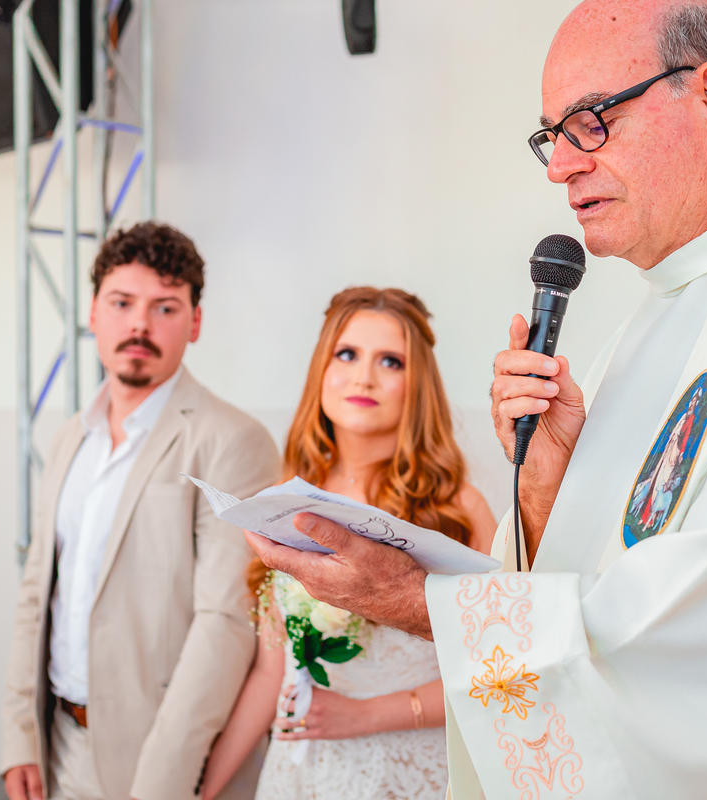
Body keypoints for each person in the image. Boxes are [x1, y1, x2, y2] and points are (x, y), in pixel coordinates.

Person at [245, 3, 707, 800]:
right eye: (551, 134)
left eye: (590, 121)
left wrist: (411, 598)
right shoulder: (647, 325)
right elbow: (599, 577)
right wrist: (543, 494)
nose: (559, 166)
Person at [2, 223, 280, 800]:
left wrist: (162, 783)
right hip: (58, 744)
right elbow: (36, 593)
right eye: (122, 303)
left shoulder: (233, 440)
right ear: (93, 313)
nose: (139, 324)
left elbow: (224, 623)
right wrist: (20, 736)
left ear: (195, 323)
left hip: (161, 757)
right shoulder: (66, 440)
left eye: (165, 307)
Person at [199, 287, 496, 800]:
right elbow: (273, 673)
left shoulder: (458, 509)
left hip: (411, 775)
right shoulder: (285, 503)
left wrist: (368, 716)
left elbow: (503, 669)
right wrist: (203, 790)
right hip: (300, 773)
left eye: (390, 361)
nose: (364, 376)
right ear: (322, 370)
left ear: (417, 384)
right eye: (347, 354)